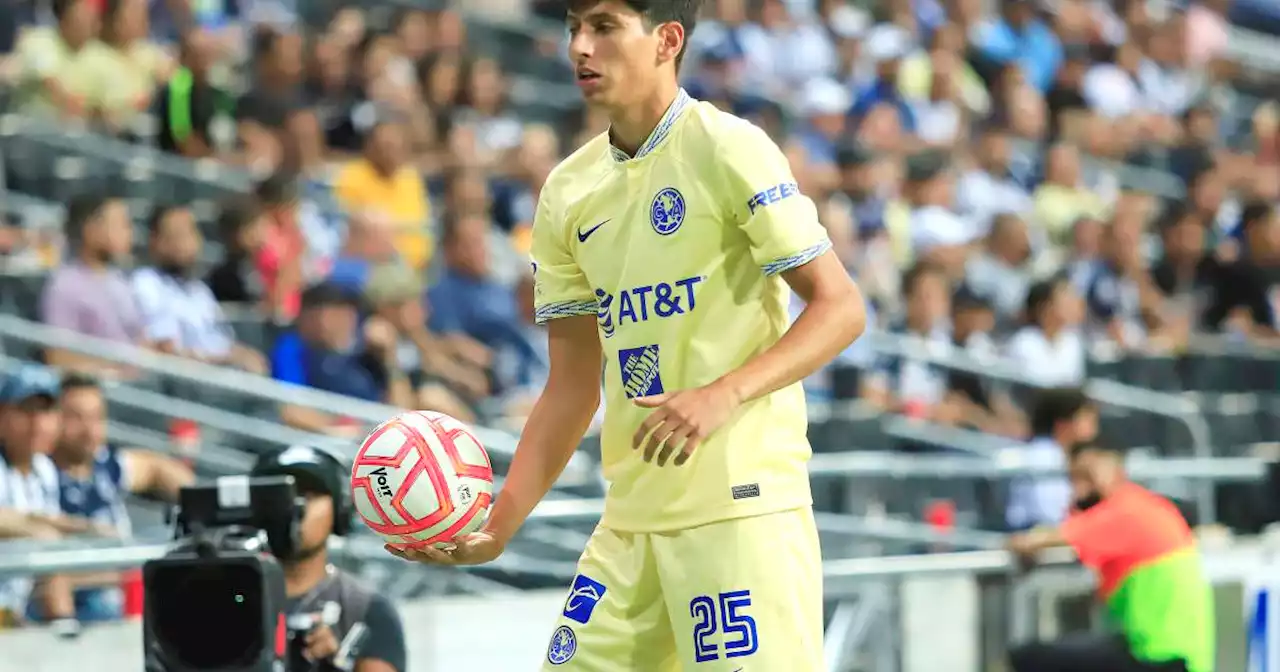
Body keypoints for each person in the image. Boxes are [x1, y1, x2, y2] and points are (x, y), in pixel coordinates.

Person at [387, 1, 867, 670]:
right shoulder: (567, 191)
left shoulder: (728, 147)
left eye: (605, 27)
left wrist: (724, 393)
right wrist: (499, 524)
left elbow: (841, 308)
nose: (581, 47)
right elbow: (572, 385)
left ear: (667, 40)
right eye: (573, 29)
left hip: (739, 512)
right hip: (630, 520)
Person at [1006, 442, 1213, 672]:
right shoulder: (1148, 506)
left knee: (1026, 659)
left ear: (1116, 472)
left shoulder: (1124, 512)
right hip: (1167, 651)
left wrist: (1020, 543)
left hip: (1157, 655)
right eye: (1073, 479)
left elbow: (1035, 541)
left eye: (1087, 476)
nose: (1079, 488)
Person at [51, 373, 194, 623]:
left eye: (97, 418)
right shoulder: (41, 474)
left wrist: (198, 499)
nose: (89, 430)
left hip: (122, 594)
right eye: (76, 418)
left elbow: (155, 469)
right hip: (78, 603)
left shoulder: (106, 465)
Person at [253, 446, 406, 672]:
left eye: (309, 496)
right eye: (283, 495)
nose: (295, 508)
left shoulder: (365, 608)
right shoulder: (215, 596)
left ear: (339, 510)